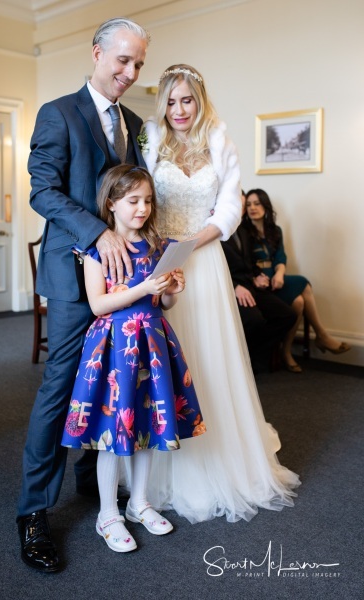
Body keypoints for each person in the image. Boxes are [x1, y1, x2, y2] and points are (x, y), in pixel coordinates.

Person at [17, 18, 150, 572]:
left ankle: (89, 483)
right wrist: (97, 232)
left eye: (139, 64)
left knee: (110, 381)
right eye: (122, 61)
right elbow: (42, 191)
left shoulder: (136, 123)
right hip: (73, 278)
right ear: (97, 53)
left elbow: (138, 196)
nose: (130, 72)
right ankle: (33, 512)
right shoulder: (58, 113)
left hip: (123, 282)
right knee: (60, 387)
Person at [140, 64, 300, 524]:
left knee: (209, 357)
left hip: (205, 260)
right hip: (161, 261)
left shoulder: (219, 138)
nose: (179, 109)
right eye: (171, 101)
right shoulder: (151, 137)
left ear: (200, 99)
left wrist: (193, 242)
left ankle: (222, 456)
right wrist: (161, 250)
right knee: (166, 360)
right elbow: (140, 196)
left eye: (186, 99)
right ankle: (162, 465)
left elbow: (231, 204)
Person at [61, 164, 205, 552]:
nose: (142, 208)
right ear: (112, 203)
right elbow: (97, 304)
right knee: (112, 433)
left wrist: (173, 289)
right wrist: (142, 286)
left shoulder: (159, 245)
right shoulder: (97, 249)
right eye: (133, 201)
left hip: (153, 345)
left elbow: (164, 303)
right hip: (114, 348)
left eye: (147, 200)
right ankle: (108, 513)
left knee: (145, 427)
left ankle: (139, 501)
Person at [243, 188, 351, 373]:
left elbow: (280, 256)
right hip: (259, 282)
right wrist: (255, 277)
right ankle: (321, 335)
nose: (252, 208)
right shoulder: (244, 231)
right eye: (249, 204)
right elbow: (245, 262)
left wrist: (279, 273)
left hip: (274, 278)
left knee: (299, 301)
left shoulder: (274, 230)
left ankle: (287, 351)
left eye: (257, 203)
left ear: (265, 205)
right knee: (302, 285)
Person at [221, 192, 297, 373]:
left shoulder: (244, 230)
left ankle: (252, 353)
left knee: (288, 315)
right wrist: (234, 287)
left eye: (243, 204)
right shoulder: (218, 232)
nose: (244, 208)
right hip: (232, 288)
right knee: (255, 320)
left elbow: (249, 262)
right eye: (242, 204)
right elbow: (214, 269)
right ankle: (245, 363)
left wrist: (258, 275)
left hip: (250, 284)